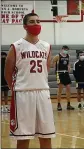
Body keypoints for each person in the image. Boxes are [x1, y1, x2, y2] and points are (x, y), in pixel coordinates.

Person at [4, 13, 55, 149]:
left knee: (46, 136)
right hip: (23, 94)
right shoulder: (16, 46)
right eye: (32, 21)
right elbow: (7, 72)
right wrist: (15, 88)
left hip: (43, 93)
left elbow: (46, 69)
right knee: (23, 138)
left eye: (38, 21)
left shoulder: (46, 46)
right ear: (25, 26)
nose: (36, 24)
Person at [52, 45, 74, 111]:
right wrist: (55, 68)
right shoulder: (58, 56)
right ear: (62, 49)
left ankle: (68, 104)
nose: (66, 51)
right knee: (60, 89)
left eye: (67, 50)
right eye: (65, 49)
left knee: (68, 88)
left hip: (66, 73)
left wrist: (69, 67)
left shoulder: (68, 56)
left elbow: (68, 63)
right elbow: (53, 61)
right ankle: (58, 104)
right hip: (60, 73)